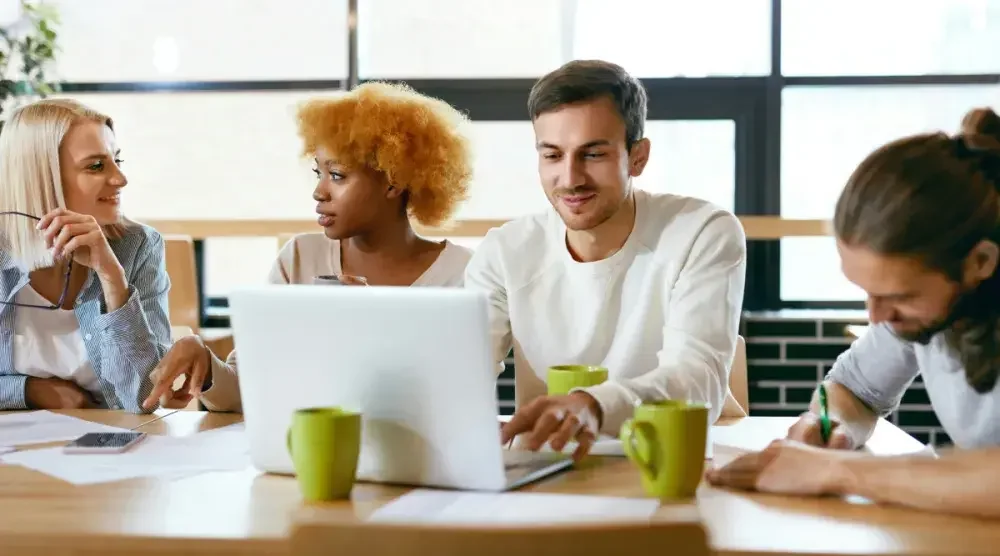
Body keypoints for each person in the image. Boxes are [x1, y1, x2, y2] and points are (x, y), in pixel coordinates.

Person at [706, 107, 1000, 519]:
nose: (877, 316)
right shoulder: (923, 310)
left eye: (898, 295)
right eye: (868, 292)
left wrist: (838, 471)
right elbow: (853, 389)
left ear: (981, 262)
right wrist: (832, 428)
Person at [467, 60, 748, 460]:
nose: (570, 178)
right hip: (545, 469)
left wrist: (594, 405)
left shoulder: (702, 231)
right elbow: (460, 374)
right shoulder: (504, 250)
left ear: (638, 157)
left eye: (593, 154)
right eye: (552, 155)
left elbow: (697, 382)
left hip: (661, 464)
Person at [144, 82, 475, 412]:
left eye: (338, 175)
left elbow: (457, 400)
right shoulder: (300, 257)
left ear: (394, 182)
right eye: (320, 173)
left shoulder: (462, 274)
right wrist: (206, 363)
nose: (319, 192)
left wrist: (373, 326)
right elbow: (248, 389)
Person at [0, 98, 170, 412]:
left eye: (118, 160)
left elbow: (147, 396)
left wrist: (112, 277)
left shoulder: (140, 246)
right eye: (96, 166)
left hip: (107, 449)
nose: (120, 179)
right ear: (41, 177)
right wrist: (29, 390)